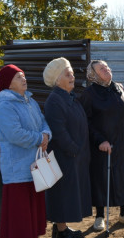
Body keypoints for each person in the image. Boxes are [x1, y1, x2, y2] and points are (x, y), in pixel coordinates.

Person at [79, 60, 124, 231]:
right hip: (102, 145)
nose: (107, 70)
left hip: (123, 141)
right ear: (93, 74)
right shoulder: (89, 94)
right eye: (101, 68)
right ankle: (99, 216)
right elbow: (86, 122)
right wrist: (99, 140)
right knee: (101, 179)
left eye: (107, 67)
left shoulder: (118, 88)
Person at [0, 64, 51, 238]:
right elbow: (15, 134)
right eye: (18, 77)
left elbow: (43, 122)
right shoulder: (5, 105)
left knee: (32, 219)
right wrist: (40, 139)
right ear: (8, 84)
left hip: (35, 166)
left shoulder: (30, 101)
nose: (23, 79)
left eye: (23, 75)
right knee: (20, 221)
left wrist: (47, 134)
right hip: (17, 170)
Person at [42, 57, 91, 238]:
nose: (72, 76)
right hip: (65, 157)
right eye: (67, 74)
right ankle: (61, 231)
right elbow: (59, 130)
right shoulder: (55, 100)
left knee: (68, 195)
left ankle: (61, 228)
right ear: (57, 80)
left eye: (72, 73)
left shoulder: (70, 98)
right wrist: (74, 149)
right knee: (62, 194)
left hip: (75, 156)